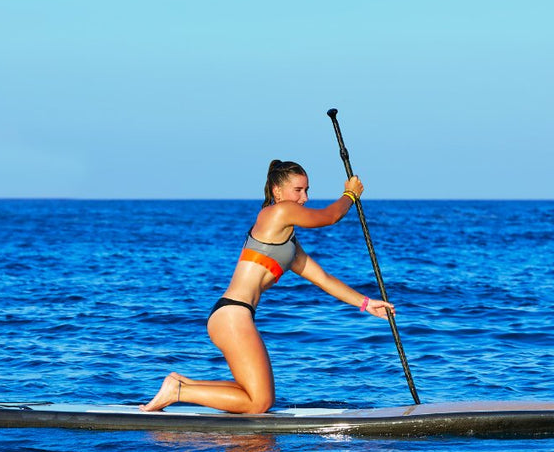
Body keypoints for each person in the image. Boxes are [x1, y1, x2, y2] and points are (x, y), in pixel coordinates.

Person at [141, 159, 395, 414]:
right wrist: (351, 194)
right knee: (259, 403)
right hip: (232, 315)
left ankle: (184, 385)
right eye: (298, 190)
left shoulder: (288, 245)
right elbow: (329, 217)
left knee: (256, 397)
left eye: (307, 190)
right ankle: (178, 392)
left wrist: (365, 303)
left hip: (234, 315)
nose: (304, 198)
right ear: (277, 191)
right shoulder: (277, 213)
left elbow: (324, 279)